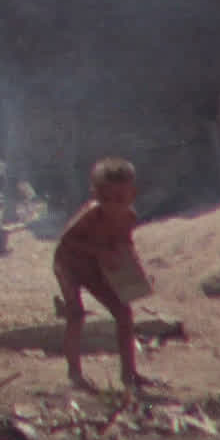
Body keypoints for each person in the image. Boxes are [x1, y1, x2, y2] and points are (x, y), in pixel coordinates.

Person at [53, 156, 152, 391]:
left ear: (133, 194)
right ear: (95, 194)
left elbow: (124, 244)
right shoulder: (90, 214)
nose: (113, 205)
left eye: (120, 198)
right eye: (106, 199)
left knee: (124, 313)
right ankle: (74, 373)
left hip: (94, 269)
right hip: (68, 266)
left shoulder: (129, 218)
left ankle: (129, 374)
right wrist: (100, 252)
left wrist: (132, 268)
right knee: (76, 315)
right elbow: (65, 242)